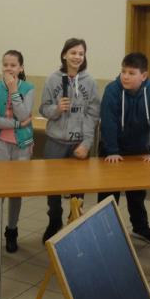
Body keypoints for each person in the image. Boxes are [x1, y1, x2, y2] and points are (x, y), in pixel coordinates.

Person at [97, 52, 150, 243]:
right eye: (123, 71)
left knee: (137, 195)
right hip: (112, 149)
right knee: (108, 194)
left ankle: (140, 227)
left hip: (138, 150)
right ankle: (104, 231)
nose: (125, 76)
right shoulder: (112, 90)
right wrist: (112, 150)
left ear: (143, 76)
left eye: (131, 73)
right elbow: (108, 122)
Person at [38, 38, 100, 242]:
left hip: (79, 143)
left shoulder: (90, 81)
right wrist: (56, 109)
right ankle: (54, 220)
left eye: (81, 53)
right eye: (73, 52)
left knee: (78, 190)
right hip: (55, 142)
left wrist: (86, 143)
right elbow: (43, 108)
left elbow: (93, 115)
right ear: (64, 55)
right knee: (52, 187)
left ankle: (75, 222)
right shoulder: (52, 79)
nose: (77, 57)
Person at [0, 50, 35, 255]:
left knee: (16, 192)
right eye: (5, 64)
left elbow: (24, 113)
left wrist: (14, 91)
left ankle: (12, 231)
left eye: (13, 65)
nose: (8, 68)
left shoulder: (28, 88)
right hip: (0, 145)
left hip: (22, 146)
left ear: (21, 68)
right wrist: (18, 124)